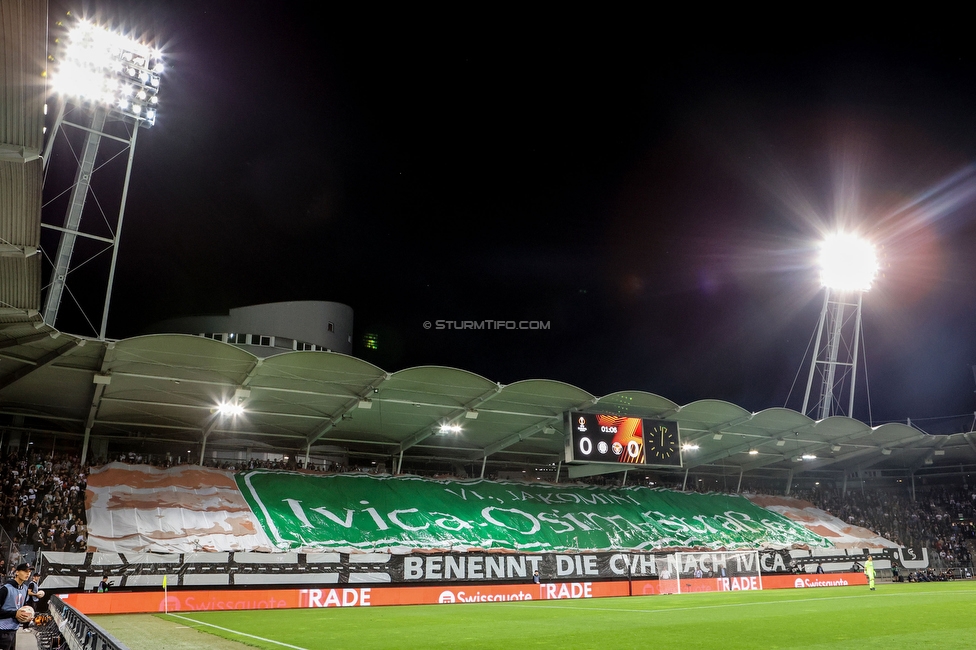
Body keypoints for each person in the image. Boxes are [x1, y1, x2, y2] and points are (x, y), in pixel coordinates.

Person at [0, 562, 34, 650]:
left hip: (13, 630)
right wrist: (15, 613)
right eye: (25, 571)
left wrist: (27, 616)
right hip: (2, 630)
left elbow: (21, 609)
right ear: (17, 572)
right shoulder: (5, 589)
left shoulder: (25, 589)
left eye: (29, 571)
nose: (28, 573)